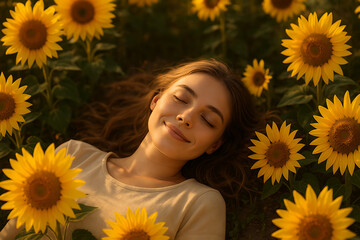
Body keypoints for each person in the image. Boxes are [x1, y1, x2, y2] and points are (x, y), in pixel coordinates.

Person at [0, 59, 261, 239]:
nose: (187, 117)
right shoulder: (73, 155)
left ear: (214, 144)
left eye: (208, 120)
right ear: (156, 100)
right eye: (181, 98)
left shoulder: (197, 203)